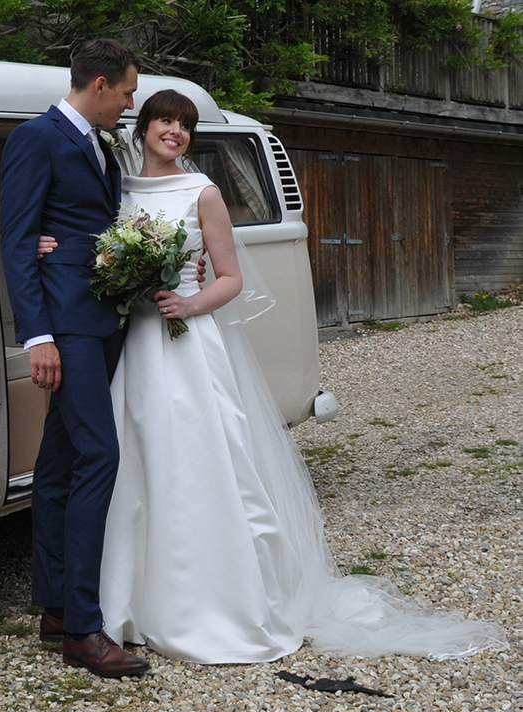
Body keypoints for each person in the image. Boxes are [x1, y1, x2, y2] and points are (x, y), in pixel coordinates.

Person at [40, 89, 505, 663]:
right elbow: (93, 241)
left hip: (183, 341)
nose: (175, 133)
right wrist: (53, 244)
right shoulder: (120, 187)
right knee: (132, 463)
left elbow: (230, 278)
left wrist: (190, 304)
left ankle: (207, 599)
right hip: (130, 342)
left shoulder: (203, 192)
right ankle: (120, 602)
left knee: (197, 460)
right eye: (165, 120)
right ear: (144, 128)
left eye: (185, 127)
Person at [0, 38, 150, 677]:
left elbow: (83, 225)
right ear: (97, 83)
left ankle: (56, 607)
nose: (130, 102)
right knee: (99, 454)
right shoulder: (37, 138)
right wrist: (38, 337)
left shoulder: (99, 141)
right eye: (126, 92)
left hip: (101, 317)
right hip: (67, 325)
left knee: (58, 467)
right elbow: (15, 239)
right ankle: (84, 631)